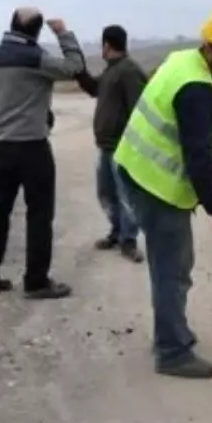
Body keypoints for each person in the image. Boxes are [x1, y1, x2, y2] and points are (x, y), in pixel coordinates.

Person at [113, 8, 212, 379]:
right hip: (155, 185)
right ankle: (173, 351)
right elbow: (200, 159)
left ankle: (169, 332)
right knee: (173, 269)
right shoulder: (197, 89)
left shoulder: (182, 61)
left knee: (172, 265)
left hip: (135, 169)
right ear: (210, 49)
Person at [0, 8, 86, 299]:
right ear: (36, 32)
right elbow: (75, 67)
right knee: (39, 213)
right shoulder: (35, 59)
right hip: (32, 146)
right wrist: (63, 33)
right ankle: (36, 281)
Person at [76, 24, 148, 263]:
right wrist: (79, 72)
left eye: (102, 44)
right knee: (106, 193)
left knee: (126, 195)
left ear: (107, 45)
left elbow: (139, 111)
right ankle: (117, 233)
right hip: (106, 146)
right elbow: (95, 88)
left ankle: (129, 240)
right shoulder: (111, 71)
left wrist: (133, 145)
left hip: (122, 147)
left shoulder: (129, 71)